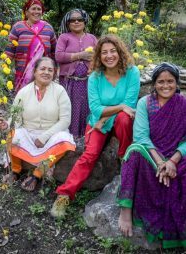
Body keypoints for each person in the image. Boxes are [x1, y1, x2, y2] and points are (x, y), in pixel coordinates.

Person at [117, 63, 186, 248]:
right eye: (161, 81)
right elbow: (141, 137)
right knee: (134, 152)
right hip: (151, 156)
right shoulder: (145, 103)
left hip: (176, 159)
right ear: (154, 84)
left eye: (170, 81)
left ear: (176, 83)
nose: (165, 85)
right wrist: (161, 162)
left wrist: (172, 161)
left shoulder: (185, 105)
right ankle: (125, 211)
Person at [50, 35, 140, 217]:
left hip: (119, 122)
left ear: (120, 52)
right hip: (97, 124)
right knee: (89, 155)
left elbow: (129, 104)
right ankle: (64, 194)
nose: (109, 55)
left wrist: (106, 116)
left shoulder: (132, 72)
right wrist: (115, 109)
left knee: (124, 118)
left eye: (113, 51)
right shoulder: (95, 77)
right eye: (104, 52)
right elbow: (96, 108)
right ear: (99, 55)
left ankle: (124, 158)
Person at [0, 57, 76, 191]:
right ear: (35, 72)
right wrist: (6, 125)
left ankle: (37, 174)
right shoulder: (24, 92)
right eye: (42, 69)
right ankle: (16, 170)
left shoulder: (60, 91)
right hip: (29, 133)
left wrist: (44, 137)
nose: (46, 72)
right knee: (13, 135)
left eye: (50, 70)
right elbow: (15, 118)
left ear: (54, 73)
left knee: (65, 140)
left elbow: (65, 120)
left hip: (51, 136)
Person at [56, 9, 97, 138]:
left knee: (85, 108)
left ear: (85, 21)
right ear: (68, 23)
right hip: (69, 82)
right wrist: (80, 55)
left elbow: (98, 57)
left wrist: (93, 66)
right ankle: (68, 137)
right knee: (70, 109)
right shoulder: (64, 37)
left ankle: (85, 137)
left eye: (79, 19)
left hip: (87, 81)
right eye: (72, 20)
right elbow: (58, 56)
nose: (76, 22)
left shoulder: (92, 38)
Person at [5, 0, 57, 93]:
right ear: (26, 12)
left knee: (42, 100)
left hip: (44, 74)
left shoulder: (48, 28)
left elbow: (54, 52)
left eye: (39, 9)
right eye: (33, 9)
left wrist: (54, 70)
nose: (36, 12)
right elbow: (9, 51)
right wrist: (2, 68)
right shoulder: (18, 27)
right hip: (22, 73)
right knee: (23, 101)